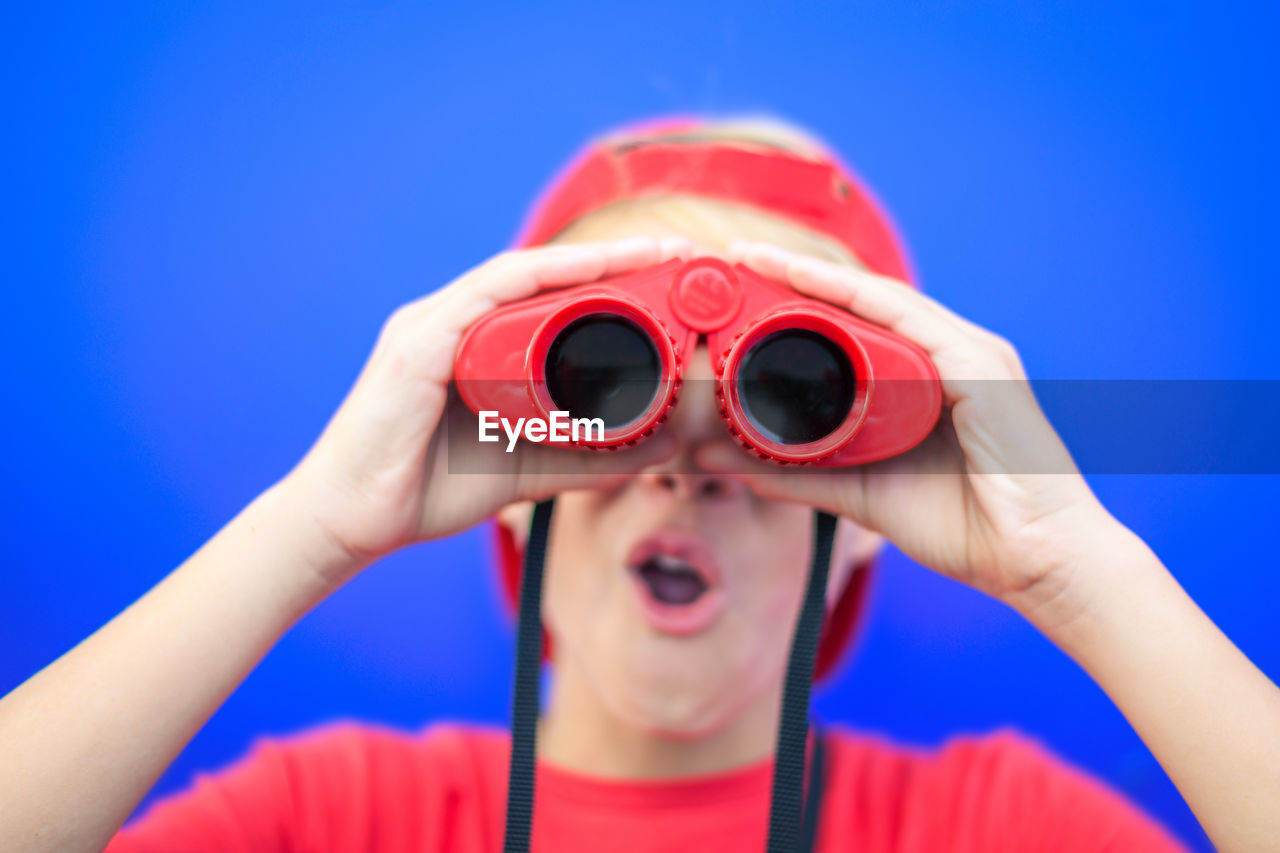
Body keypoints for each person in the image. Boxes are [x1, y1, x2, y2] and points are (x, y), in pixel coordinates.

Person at [1, 117, 1276, 853]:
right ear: (508, 474)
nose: (683, 461)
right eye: (602, 380)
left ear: (873, 512)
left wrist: (1075, 564)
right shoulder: (335, 816)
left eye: (794, 399)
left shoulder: (990, 827)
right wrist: (311, 524)